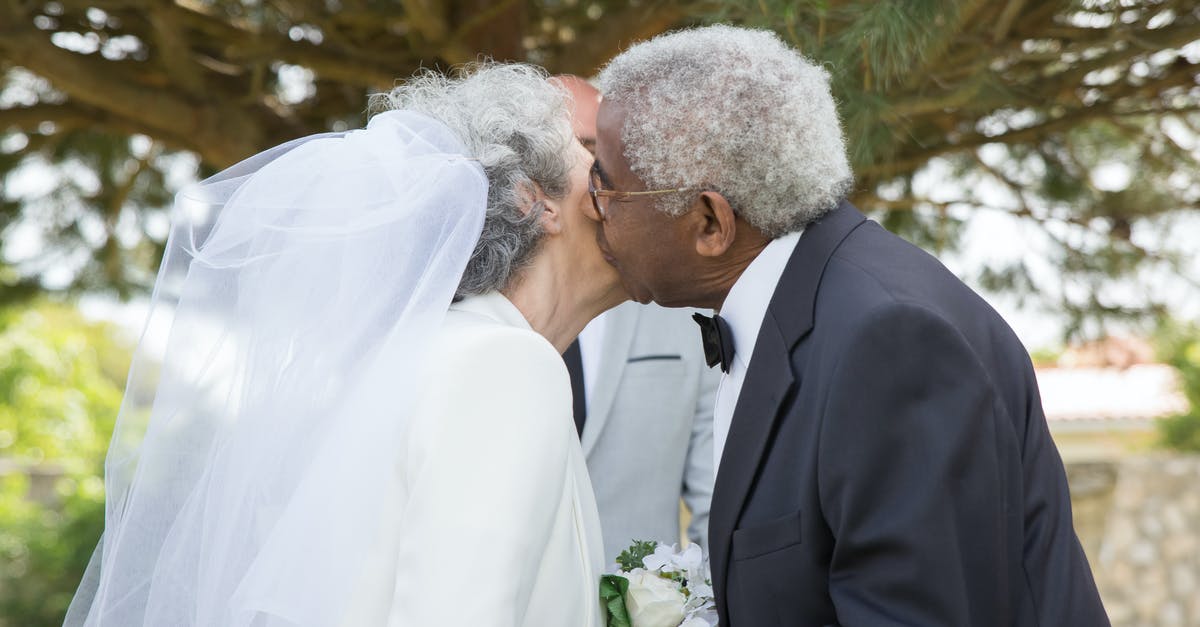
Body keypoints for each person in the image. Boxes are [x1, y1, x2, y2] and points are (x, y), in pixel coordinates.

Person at [66, 63, 623, 627]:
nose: (618, 192)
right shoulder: (503, 365)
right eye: (595, 168)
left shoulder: (427, 355)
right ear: (534, 201)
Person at [591, 25, 1109, 626]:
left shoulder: (891, 344)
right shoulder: (812, 305)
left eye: (605, 185)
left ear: (710, 222)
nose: (590, 206)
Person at [555, 75, 717, 561]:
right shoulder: (470, 320)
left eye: (593, 150)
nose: (589, 174)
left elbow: (718, 501)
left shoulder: (679, 303)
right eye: (566, 151)